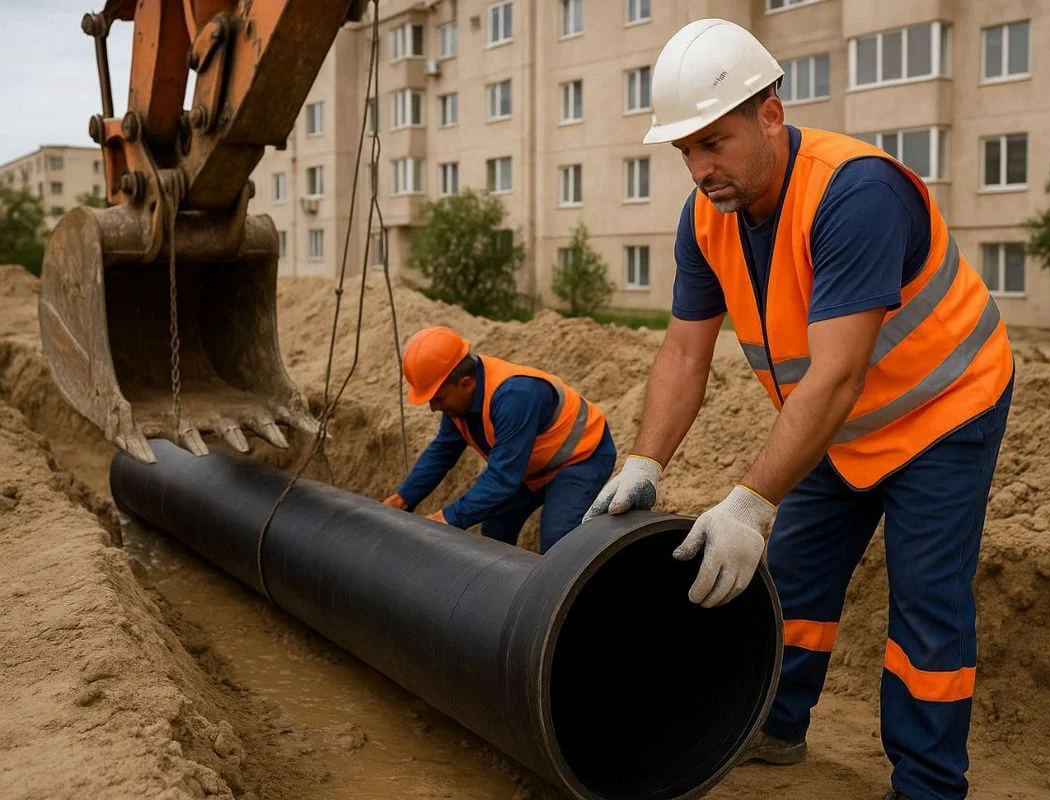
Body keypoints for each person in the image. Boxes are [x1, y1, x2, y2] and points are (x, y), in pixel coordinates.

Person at [583, 18, 1014, 800]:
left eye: (713, 142)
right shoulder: (708, 221)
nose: (699, 169)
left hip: (942, 413)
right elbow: (685, 353)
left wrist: (748, 502)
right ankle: (775, 726)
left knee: (926, 605)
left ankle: (927, 784)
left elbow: (840, 372)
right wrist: (645, 460)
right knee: (795, 580)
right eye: (684, 151)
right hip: (837, 422)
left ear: (771, 114)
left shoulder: (856, 194)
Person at [384, 326, 616, 552]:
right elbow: (442, 452)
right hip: (532, 464)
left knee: (558, 542)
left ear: (466, 384)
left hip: (582, 458)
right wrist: (403, 498)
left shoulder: (514, 395)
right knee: (497, 526)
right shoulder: (460, 401)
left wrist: (446, 519)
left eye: (439, 399)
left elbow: (503, 479)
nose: (434, 408)